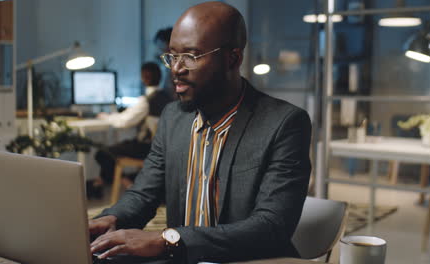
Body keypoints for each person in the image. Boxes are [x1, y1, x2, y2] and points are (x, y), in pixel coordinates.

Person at [89, 2, 312, 263]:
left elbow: (271, 227)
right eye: (172, 55)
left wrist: (166, 240)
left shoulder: (284, 123)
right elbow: (143, 194)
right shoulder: (173, 117)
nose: (176, 69)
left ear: (233, 58)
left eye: (191, 56)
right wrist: (110, 219)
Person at [93, 62, 171, 191]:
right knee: (119, 146)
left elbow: (124, 122)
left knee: (102, 153)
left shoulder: (147, 101)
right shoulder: (168, 98)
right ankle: (102, 182)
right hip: (163, 147)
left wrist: (106, 117)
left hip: (146, 148)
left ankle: (128, 185)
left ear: (143, 78)